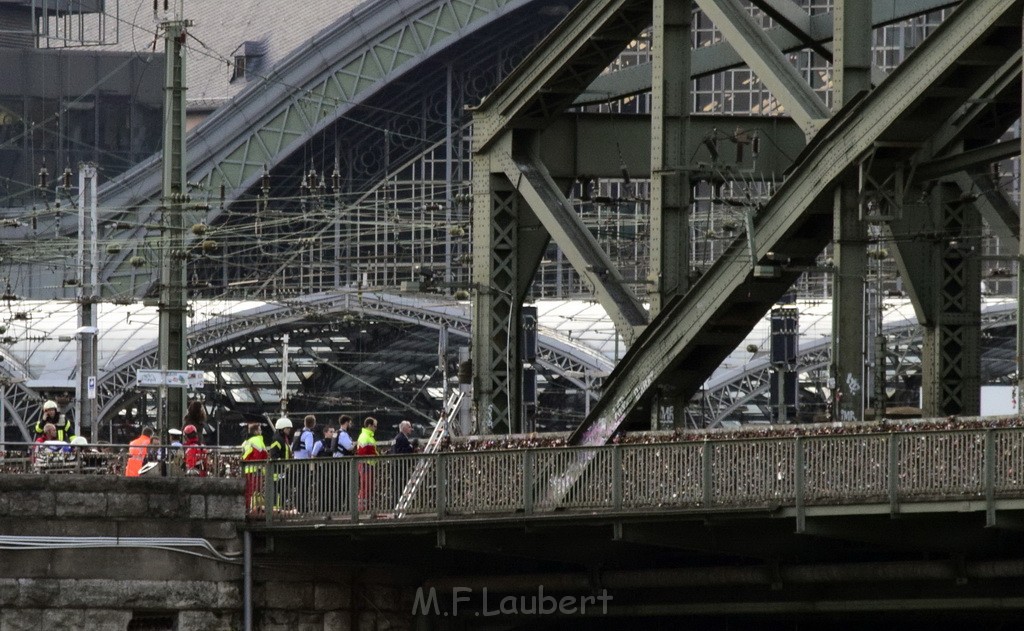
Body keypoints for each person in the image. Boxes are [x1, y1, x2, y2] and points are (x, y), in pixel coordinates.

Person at [241, 422, 269, 512]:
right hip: (255, 470)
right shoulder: (257, 440)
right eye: (260, 429)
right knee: (254, 492)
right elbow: (260, 455)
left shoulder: (247, 441)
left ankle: (246, 509)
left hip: (247, 470)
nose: (261, 431)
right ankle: (251, 511)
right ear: (256, 431)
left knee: (248, 492)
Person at [356, 417, 379, 511]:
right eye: (374, 426)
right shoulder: (365, 436)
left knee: (367, 487)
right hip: (366, 464)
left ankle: (365, 507)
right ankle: (362, 508)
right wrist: (377, 455)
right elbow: (365, 451)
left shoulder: (367, 436)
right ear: (369, 425)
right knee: (366, 487)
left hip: (368, 464)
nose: (376, 428)